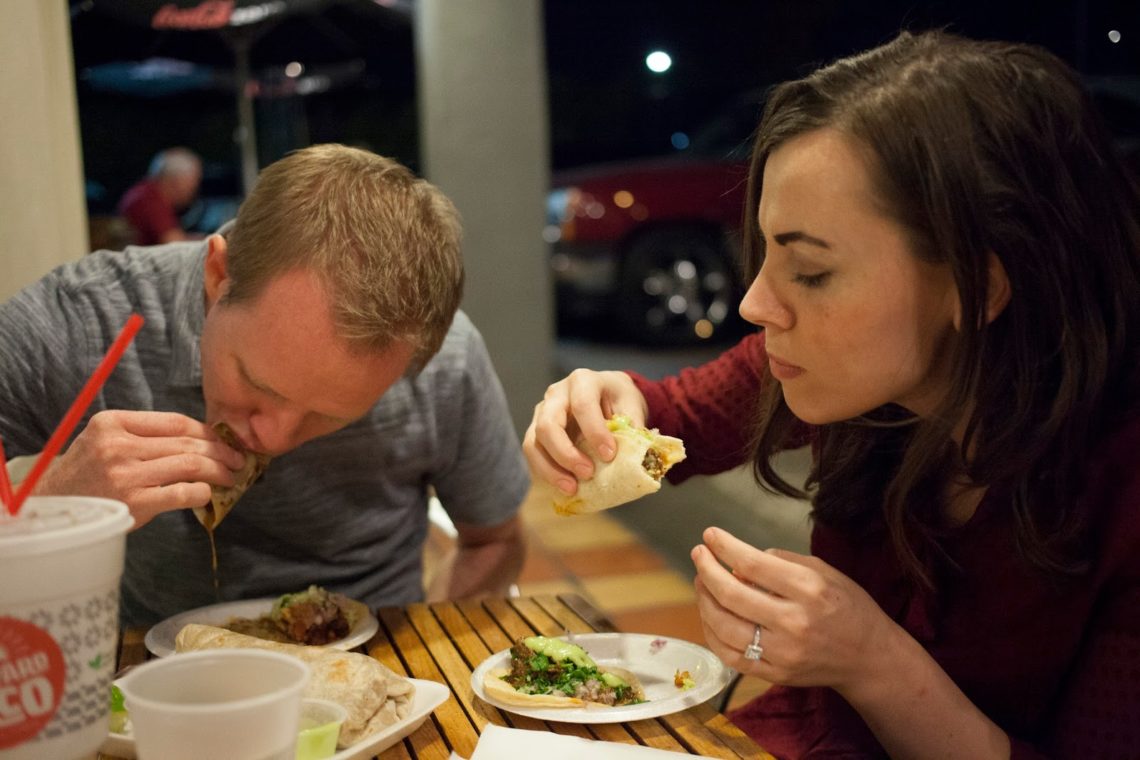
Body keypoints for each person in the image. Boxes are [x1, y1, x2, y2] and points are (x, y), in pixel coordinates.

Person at [525, 31, 1140, 758]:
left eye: (810, 273)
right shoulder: (836, 372)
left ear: (980, 287)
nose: (754, 304)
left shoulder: (1121, 482)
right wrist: (600, 411)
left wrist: (868, 660)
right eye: (762, 255)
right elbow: (670, 422)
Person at [1, 144, 530, 628]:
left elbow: (495, 541)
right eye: (257, 382)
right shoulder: (85, 317)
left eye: (331, 416)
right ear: (217, 274)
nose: (273, 439)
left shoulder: (446, 360)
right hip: (151, 678)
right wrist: (55, 510)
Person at [116, 147, 203, 245]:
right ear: (176, 181)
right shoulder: (149, 199)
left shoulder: (144, 192)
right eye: (193, 181)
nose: (195, 189)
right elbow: (175, 244)